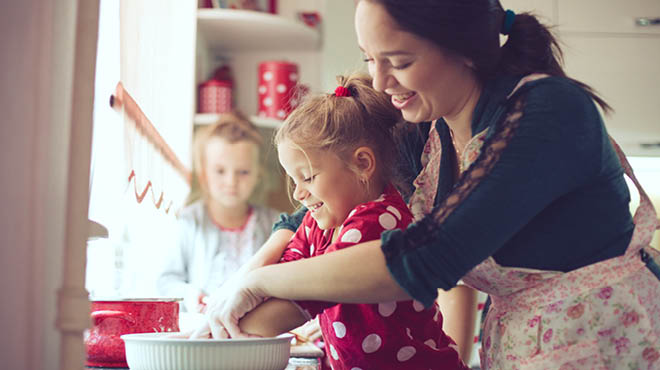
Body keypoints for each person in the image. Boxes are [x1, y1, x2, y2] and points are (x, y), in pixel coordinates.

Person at [201, 1, 660, 369]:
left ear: (463, 49)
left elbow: (425, 258)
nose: (380, 81)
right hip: (526, 345)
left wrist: (261, 280)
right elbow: (311, 211)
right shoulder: (428, 129)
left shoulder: (548, 113)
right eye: (370, 59)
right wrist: (246, 281)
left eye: (398, 61)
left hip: (609, 341)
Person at [231, 73, 469, 369]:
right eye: (294, 180)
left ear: (362, 164)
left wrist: (226, 326)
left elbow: (299, 301)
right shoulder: (320, 222)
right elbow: (288, 268)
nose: (299, 193)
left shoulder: (379, 221)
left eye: (308, 177)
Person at [156, 111, 279, 313]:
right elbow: (166, 280)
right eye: (220, 171)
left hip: (256, 328)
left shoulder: (274, 223)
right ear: (204, 174)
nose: (231, 182)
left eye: (243, 172)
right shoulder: (188, 221)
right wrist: (191, 295)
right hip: (202, 326)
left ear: (257, 174)